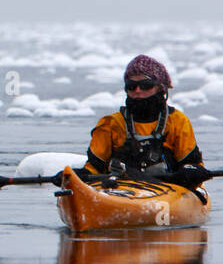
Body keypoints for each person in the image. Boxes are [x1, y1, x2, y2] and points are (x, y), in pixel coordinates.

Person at [83, 55, 205, 184]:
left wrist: (191, 172)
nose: (137, 90)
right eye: (131, 86)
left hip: (169, 188)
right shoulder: (110, 124)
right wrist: (77, 176)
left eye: (145, 85)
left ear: (160, 87)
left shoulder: (178, 121)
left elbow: (192, 164)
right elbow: (94, 168)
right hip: (119, 188)